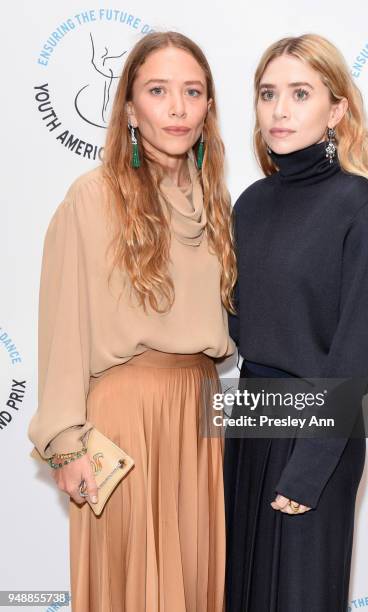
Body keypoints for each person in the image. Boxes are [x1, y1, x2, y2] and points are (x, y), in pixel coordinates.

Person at [28, 31, 237, 612]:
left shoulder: (217, 204)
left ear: (208, 108)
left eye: (192, 91)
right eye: (158, 90)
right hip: (124, 424)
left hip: (200, 419)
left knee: (195, 585)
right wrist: (66, 445)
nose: (176, 107)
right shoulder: (92, 198)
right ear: (129, 110)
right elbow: (62, 329)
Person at [224, 33, 368, 611]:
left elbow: (355, 357)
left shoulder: (358, 205)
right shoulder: (249, 204)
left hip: (317, 434)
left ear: (337, 109)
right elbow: (236, 331)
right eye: (268, 93)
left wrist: (310, 468)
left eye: (300, 93)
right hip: (249, 425)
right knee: (243, 592)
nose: (280, 109)